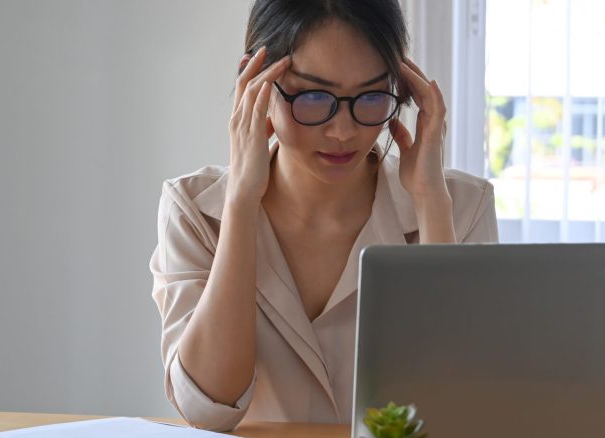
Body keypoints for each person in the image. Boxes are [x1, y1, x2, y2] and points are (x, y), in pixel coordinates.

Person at [149, 0, 498, 431]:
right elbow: (208, 408)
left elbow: (460, 407)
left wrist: (430, 204)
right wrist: (242, 199)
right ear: (253, 81)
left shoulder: (461, 207)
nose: (343, 131)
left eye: (371, 96)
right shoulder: (196, 210)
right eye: (314, 97)